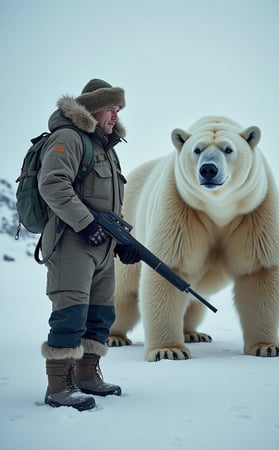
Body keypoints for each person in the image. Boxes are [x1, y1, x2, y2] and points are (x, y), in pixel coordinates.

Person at [38, 78, 141, 411]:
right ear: (92, 108)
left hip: (101, 246)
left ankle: (86, 376)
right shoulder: (68, 138)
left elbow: (109, 208)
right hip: (71, 243)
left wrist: (124, 242)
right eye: (111, 108)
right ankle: (59, 387)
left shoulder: (107, 150)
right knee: (70, 314)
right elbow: (52, 184)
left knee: (100, 315)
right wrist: (84, 225)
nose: (115, 115)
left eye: (118, 109)